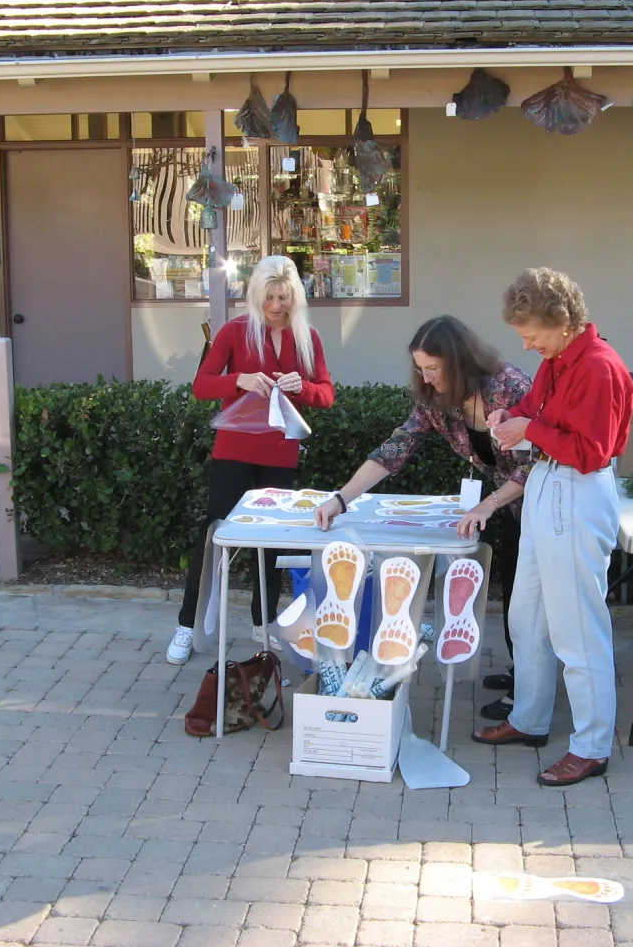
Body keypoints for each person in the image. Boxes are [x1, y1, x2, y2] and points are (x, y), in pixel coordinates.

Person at [314, 316, 534, 717]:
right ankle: (523, 671)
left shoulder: (509, 386)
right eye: (421, 369)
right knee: (514, 584)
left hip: (539, 500)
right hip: (508, 501)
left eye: (433, 368)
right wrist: (341, 500)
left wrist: (489, 504)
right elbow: (396, 448)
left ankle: (529, 692)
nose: (427, 377)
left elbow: (537, 462)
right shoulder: (436, 399)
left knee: (526, 597)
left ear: (458, 361)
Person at [472, 268, 633, 787]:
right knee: (528, 616)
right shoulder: (560, 359)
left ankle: (591, 746)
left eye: (532, 333)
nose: (525, 343)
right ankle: (530, 718)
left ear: (562, 322)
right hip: (548, 483)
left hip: (578, 491)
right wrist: (508, 419)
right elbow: (532, 410)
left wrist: (528, 429)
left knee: (577, 628)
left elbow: (591, 450)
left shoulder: (599, 367)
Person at [166, 255, 334, 665]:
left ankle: (263, 622)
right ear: (256, 295)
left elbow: (326, 394)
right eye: (270, 297)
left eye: (284, 297)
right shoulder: (236, 331)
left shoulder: (306, 337)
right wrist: (238, 379)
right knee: (214, 536)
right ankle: (188, 625)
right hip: (235, 449)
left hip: (280, 451)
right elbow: (201, 386)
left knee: (273, 542)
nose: (277, 306)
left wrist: (301, 388)